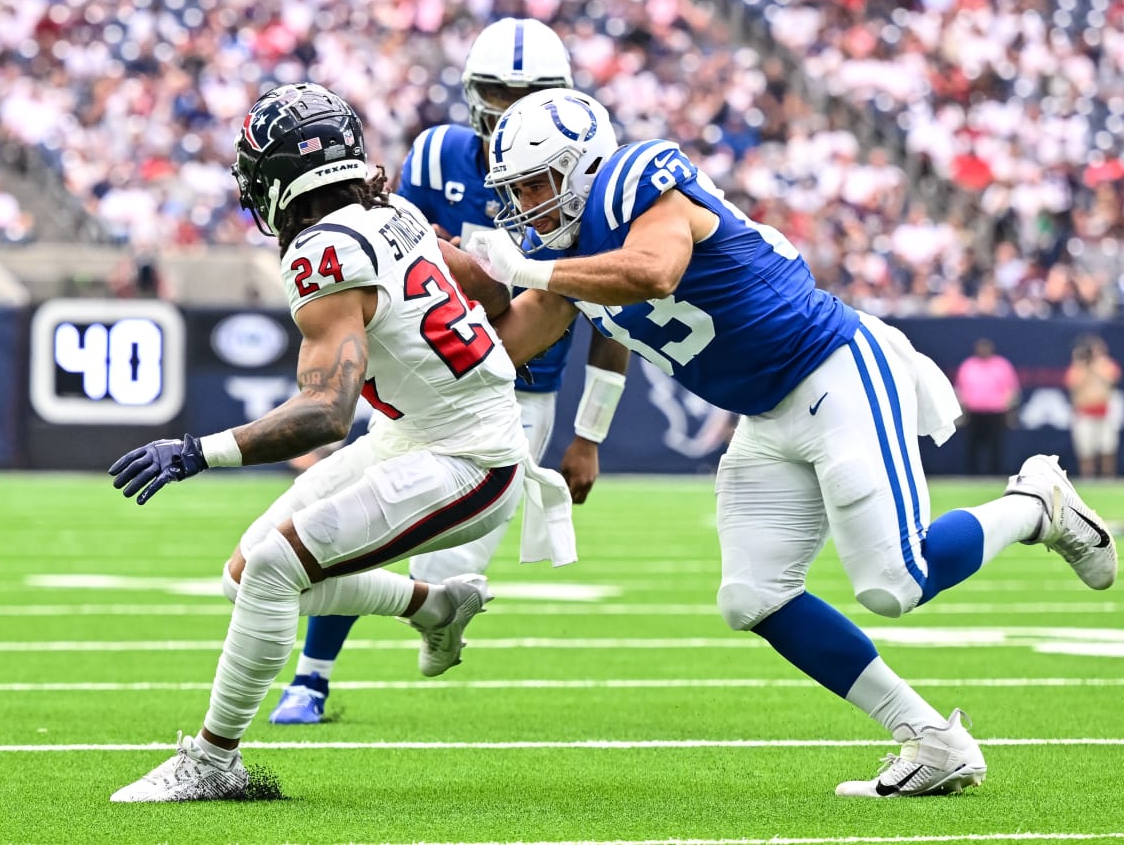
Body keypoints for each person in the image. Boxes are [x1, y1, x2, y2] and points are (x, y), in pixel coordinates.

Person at [460, 88, 1118, 797]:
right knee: (753, 596)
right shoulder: (558, 259)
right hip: (766, 414)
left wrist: (524, 270)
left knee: (894, 583)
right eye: (516, 188)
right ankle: (931, 739)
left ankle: (1037, 504)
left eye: (537, 182)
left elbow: (654, 271)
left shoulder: (637, 179)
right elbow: (502, 345)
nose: (525, 202)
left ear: (585, 166)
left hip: (833, 368)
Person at [106, 83, 573, 803]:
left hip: (469, 458)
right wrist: (477, 359)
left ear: (283, 178)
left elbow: (326, 412)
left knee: (270, 569)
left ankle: (213, 760)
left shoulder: (324, 254)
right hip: (423, 432)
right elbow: (484, 285)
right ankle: (432, 606)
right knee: (244, 575)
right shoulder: (394, 213)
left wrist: (197, 452)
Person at [268, 18, 630, 725]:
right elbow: (378, 262)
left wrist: (589, 434)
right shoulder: (437, 157)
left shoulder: (586, 167)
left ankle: (432, 611)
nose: (508, 105)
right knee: (343, 524)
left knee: (432, 567)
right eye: (496, 90)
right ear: (471, 93)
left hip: (520, 390)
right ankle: (310, 677)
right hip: (426, 378)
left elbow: (603, 306)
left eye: (530, 92)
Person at [953, 337, 1019, 476]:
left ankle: (995, 473)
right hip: (974, 412)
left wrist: (1007, 408)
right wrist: (962, 410)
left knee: (996, 445)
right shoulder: (968, 365)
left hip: (996, 412)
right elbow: (960, 390)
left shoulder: (1001, 365)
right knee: (973, 445)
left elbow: (1011, 390)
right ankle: (972, 474)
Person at [1065, 334, 1122, 478]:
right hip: (1084, 413)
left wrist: (1096, 364)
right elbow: (1072, 384)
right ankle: (1087, 478)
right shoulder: (1078, 367)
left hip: (1104, 412)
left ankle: (1107, 478)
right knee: (1085, 450)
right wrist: (1083, 365)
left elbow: (1112, 379)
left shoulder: (1106, 365)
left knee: (1107, 448)